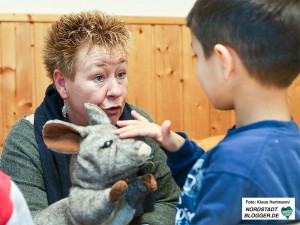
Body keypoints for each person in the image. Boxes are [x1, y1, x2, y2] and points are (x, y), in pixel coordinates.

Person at [115, 0, 300, 224]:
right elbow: (256, 208)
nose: (197, 68)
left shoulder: (235, 165)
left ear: (224, 63)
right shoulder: (282, 145)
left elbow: (228, 185)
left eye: (197, 56)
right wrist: (179, 148)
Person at [0, 10, 180, 224]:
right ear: (62, 83)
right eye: (98, 77)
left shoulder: (136, 121)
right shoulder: (26, 141)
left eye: (121, 74)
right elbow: (26, 220)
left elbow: (170, 201)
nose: (116, 91)